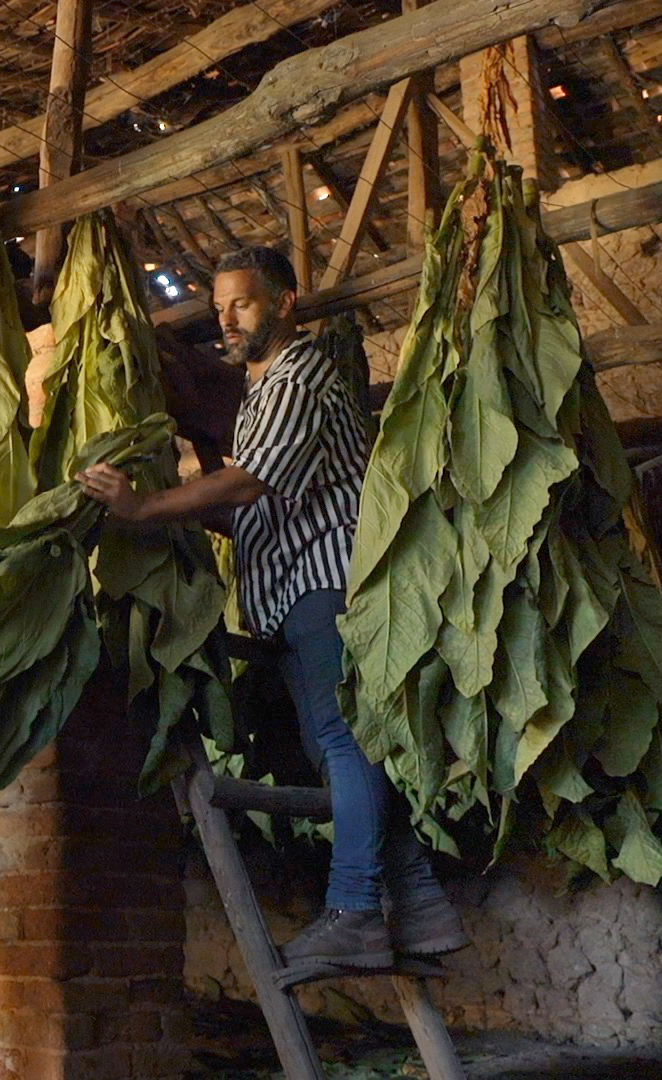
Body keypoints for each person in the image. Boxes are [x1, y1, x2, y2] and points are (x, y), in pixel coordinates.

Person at [78, 247, 467, 986]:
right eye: (219, 307)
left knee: (344, 746)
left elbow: (250, 483)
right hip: (288, 594)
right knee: (341, 752)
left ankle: (353, 913)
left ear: (287, 303)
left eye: (244, 304)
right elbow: (256, 510)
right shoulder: (260, 395)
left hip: (324, 586)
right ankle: (419, 905)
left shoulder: (299, 376)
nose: (227, 320)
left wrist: (143, 508)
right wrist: (173, 505)